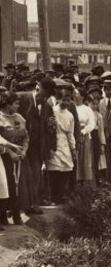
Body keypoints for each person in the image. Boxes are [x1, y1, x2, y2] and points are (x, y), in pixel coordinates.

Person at [18, 77, 57, 211]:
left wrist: (52, 147)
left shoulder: (47, 106)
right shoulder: (22, 98)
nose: (45, 98)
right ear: (39, 89)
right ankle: (18, 205)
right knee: (20, 176)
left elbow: (52, 128)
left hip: (38, 147)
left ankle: (31, 205)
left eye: (48, 96)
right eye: (45, 95)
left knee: (35, 175)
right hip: (21, 145)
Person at [0, 92, 30, 224]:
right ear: (8, 103)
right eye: (16, 103)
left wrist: (24, 151)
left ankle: (17, 215)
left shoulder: (20, 117)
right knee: (6, 186)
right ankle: (3, 217)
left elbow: (26, 137)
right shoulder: (0, 118)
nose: (18, 106)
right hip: (5, 157)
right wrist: (9, 152)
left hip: (19, 157)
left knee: (19, 186)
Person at [45, 94, 76, 205]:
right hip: (54, 141)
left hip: (65, 143)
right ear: (59, 99)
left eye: (68, 100)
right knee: (54, 169)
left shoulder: (70, 115)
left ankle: (61, 194)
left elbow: (71, 133)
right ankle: (51, 196)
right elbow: (48, 129)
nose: (66, 103)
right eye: (64, 100)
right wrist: (49, 146)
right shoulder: (52, 111)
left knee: (66, 169)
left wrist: (73, 149)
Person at [76, 93, 96, 184]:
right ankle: (75, 179)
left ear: (82, 97)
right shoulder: (71, 107)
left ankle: (84, 181)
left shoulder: (87, 109)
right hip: (73, 134)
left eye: (77, 94)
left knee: (84, 157)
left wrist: (83, 131)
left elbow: (92, 123)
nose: (75, 96)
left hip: (84, 135)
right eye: (74, 95)